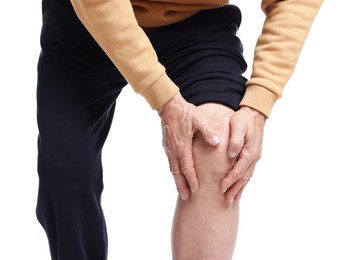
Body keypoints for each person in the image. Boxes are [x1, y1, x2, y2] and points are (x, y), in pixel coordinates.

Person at [35, 0, 323, 259]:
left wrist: (259, 100)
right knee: (66, 172)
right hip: (87, 22)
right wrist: (164, 99)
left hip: (193, 21)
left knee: (220, 145)